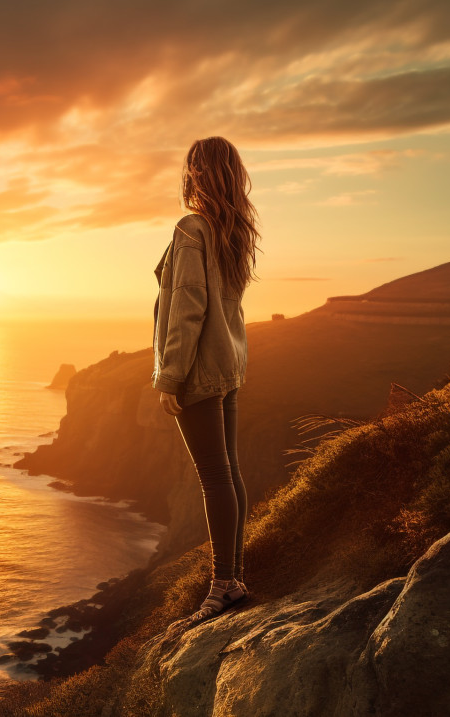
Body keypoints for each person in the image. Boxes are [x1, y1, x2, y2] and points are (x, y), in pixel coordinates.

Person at [151, 136, 260, 625]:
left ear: (197, 174)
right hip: (229, 364)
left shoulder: (191, 227)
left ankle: (222, 585)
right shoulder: (234, 231)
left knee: (215, 477)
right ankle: (233, 578)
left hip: (198, 369)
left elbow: (187, 308)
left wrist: (169, 376)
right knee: (229, 471)